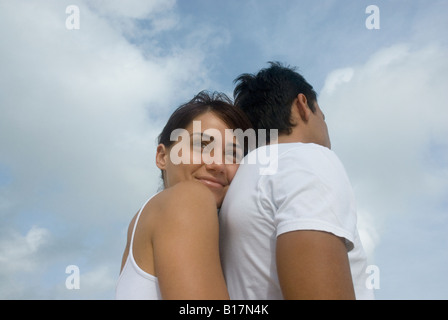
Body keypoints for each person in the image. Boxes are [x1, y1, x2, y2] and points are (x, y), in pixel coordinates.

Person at [219, 62, 375, 300]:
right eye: (322, 116)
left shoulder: (237, 184)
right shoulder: (307, 158)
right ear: (303, 105)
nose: (325, 125)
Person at [115, 91, 252, 299]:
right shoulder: (189, 197)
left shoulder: (146, 222)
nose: (217, 164)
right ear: (162, 156)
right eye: (202, 146)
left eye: (233, 154)